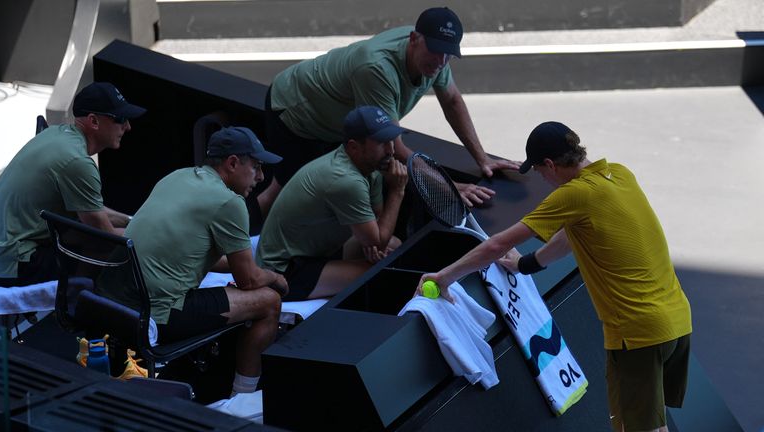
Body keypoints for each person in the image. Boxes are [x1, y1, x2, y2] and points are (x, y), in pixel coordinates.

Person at [418, 121, 692, 432]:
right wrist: (526, 265)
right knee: (653, 426)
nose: (543, 179)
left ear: (550, 164)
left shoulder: (573, 195)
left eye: (538, 171)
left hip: (638, 333)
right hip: (677, 323)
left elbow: (498, 244)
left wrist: (444, 277)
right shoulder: (619, 173)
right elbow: (569, 235)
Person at [257, 7, 519, 215]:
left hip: (337, 125)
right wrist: (448, 188)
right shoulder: (377, 69)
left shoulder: (435, 55)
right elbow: (396, 148)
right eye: (436, 51)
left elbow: (452, 101)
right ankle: (240, 250)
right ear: (414, 39)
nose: (441, 62)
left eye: (449, 54)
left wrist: (482, 159)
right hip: (295, 112)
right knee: (282, 192)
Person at [98, 126, 288, 396]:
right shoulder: (230, 203)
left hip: (111, 300)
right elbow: (249, 281)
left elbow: (190, 252)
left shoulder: (178, 176)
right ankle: (241, 398)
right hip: (155, 315)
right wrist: (276, 277)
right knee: (269, 300)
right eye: (256, 167)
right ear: (232, 163)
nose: (260, 177)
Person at [0, 82, 144, 287]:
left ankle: (76, 297)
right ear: (94, 121)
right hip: (13, 264)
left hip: (4, 248)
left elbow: (93, 212)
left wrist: (133, 221)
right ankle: (76, 303)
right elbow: (106, 235)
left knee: (84, 235)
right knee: (114, 250)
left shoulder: (56, 134)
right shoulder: (77, 162)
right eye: (120, 119)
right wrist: (152, 235)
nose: (128, 126)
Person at [256, 106, 408, 300]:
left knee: (395, 246)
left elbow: (378, 225)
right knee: (384, 269)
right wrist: (397, 191)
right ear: (354, 147)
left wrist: (372, 245)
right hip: (283, 270)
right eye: (381, 142)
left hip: (317, 249)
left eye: (391, 140)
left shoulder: (372, 167)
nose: (391, 150)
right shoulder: (345, 179)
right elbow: (377, 241)